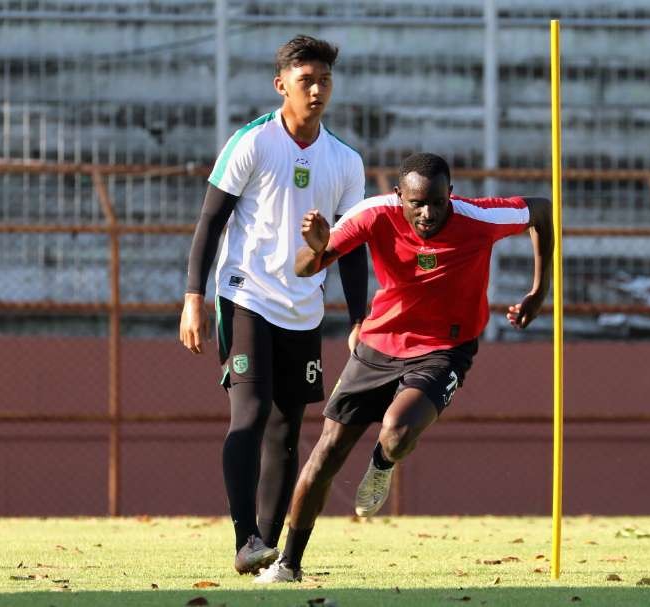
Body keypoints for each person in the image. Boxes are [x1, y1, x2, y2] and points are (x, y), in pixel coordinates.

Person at [254, 152, 553, 583]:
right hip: (379, 344)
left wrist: (539, 291)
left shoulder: (478, 218)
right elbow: (305, 268)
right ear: (399, 196)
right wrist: (317, 248)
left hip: (445, 348)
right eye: (417, 203)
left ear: (451, 194)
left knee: (396, 432)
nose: (428, 213)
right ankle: (288, 565)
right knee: (328, 451)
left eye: (437, 201)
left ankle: (382, 461)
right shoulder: (374, 215)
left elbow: (541, 209)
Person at [178, 34, 368, 576]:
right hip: (245, 295)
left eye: (324, 80)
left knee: (289, 425)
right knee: (252, 412)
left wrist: (359, 318)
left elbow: (350, 248)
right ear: (281, 84)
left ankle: (270, 554)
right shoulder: (253, 143)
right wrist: (194, 299)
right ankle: (246, 539)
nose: (317, 89)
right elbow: (211, 221)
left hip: (304, 308)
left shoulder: (345, 161)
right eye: (306, 80)